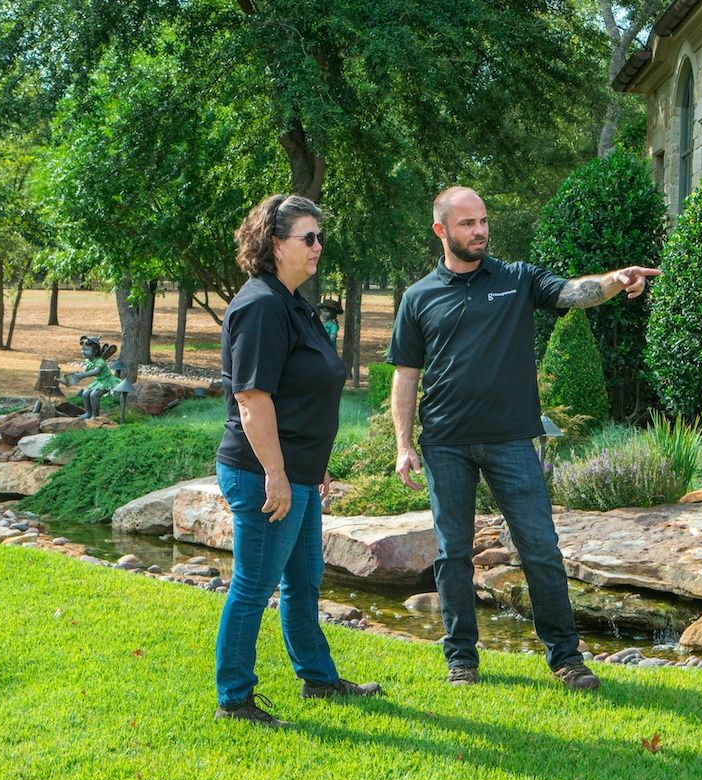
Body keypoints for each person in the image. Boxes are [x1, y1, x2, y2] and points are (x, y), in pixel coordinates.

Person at [388, 186, 659, 691]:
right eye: (468, 223)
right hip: (445, 441)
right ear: (441, 230)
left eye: (484, 221)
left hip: (513, 440)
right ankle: (461, 660)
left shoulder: (516, 279)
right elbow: (405, 375)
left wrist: (616, 281)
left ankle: (566, 658)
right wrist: (404, 444)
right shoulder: (418, 296)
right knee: (452, 553)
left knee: (540, 548)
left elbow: (574, 292)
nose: (480, 231)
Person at [214, 194, 382, 727]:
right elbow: (252, 399)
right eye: (307, 238)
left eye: (319, 237)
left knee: (304, 582)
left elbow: (300, 393)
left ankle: (318, 679)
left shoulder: (293, 302)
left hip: (299, 470)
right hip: (262, 473)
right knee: (253, 586)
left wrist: (312, 464)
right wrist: (278, 474)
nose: (317, 247)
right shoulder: (262, 305)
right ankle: (234, 699)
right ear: (273, 244)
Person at [65, 335, 118, 419]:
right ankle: (88, 413)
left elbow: (96, 371)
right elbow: (84, 372)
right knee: (85, 393)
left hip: (106, 381)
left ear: (95, 351)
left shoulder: (100, 361)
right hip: (98, 382)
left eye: (86, 350)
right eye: (82, 349)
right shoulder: (89, 361)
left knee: (94, 395)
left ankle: (95, 415)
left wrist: (83, 375)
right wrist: (77, 376)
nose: (83, 352)